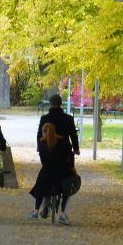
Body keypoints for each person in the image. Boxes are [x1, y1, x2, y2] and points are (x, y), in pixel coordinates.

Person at [35, 94, 80, 224]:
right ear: (61, 104)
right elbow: (73, 135)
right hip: (64, 154)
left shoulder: (45, 118)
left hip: (48, 154)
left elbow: (39, 135)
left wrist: (40, 148)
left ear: (50, 104)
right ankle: (63, 213)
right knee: (68, 179)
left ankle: (45, 204)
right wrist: (76, 149)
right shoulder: (68, 118)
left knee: (46, 173)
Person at [28, 122, 65, 220]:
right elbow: (65, 157)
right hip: (60, 172)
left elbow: (43, 161)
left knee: (39, 185)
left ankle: (36, 210)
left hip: (47, 171)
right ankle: (63, 213)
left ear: (44, 133)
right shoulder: (61, 141)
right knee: (65, 188)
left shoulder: (42, 143)